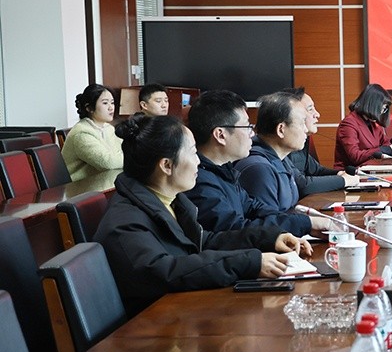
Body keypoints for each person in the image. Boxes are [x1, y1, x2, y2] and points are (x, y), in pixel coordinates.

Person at [94, 114, 309, 317]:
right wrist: (248, 262)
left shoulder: (171, 200)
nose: (199, 161)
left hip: (181, 311)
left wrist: (269, 238)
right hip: (153, 327)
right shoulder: (126, 221)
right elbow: (166, 271)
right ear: (167, 165)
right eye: (192, 152)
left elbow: (203, 241)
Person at [186, 90, 336, 235]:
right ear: (221, 135)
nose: (252, 133)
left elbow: (254, 208)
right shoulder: (200, 181)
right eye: (247, 127)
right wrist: (303, 224)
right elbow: (235, 229)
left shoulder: (223, 170)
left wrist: (304, 223)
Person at [233, 91, 309, 213]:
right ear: (281, 129)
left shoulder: (281, 158)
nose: (306, 129)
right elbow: (269, 221)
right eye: (302, 123)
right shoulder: (259, 168)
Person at [283, 87, 358, 194]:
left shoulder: (301, 141)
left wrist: (341, 174)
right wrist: (343, 180)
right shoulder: (282, 147)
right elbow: (301, 184)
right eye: (310, 109)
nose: (317, 114)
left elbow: (317, 170)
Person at [62, 83, 124, 181]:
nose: (111, 107)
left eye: (112, 103)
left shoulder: (108, 128)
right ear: (89, 108)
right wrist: (133, 158)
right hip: (80, 187)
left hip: (103, 181)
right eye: (105, 103)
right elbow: (109, 163)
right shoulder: (81, 134)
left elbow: (123, 150)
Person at [334, 83, 392, 170]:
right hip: (351, 173)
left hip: (371, 169)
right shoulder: (348, 124)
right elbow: (355, 156)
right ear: (372, 105)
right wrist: (385, 150)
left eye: (385, 109)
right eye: (382, 108)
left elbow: (385, 142)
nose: (382, 112)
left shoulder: (371, 122)